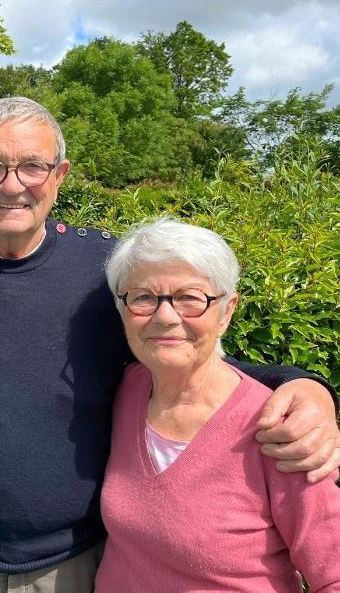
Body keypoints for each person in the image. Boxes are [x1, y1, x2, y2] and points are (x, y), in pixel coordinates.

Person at [0, 97, 340, 592]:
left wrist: (304, 384)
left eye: (33, 166)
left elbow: (178, 343)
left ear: (59, 174)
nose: (12, 184)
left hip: (75, 563)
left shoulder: (100, 266)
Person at [96, 218, 340, 590]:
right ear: (122, 308)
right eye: (143, 297)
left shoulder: (282, 430)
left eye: (190, 298)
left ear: (226, 311)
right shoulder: (126, 390)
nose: (165, 316)